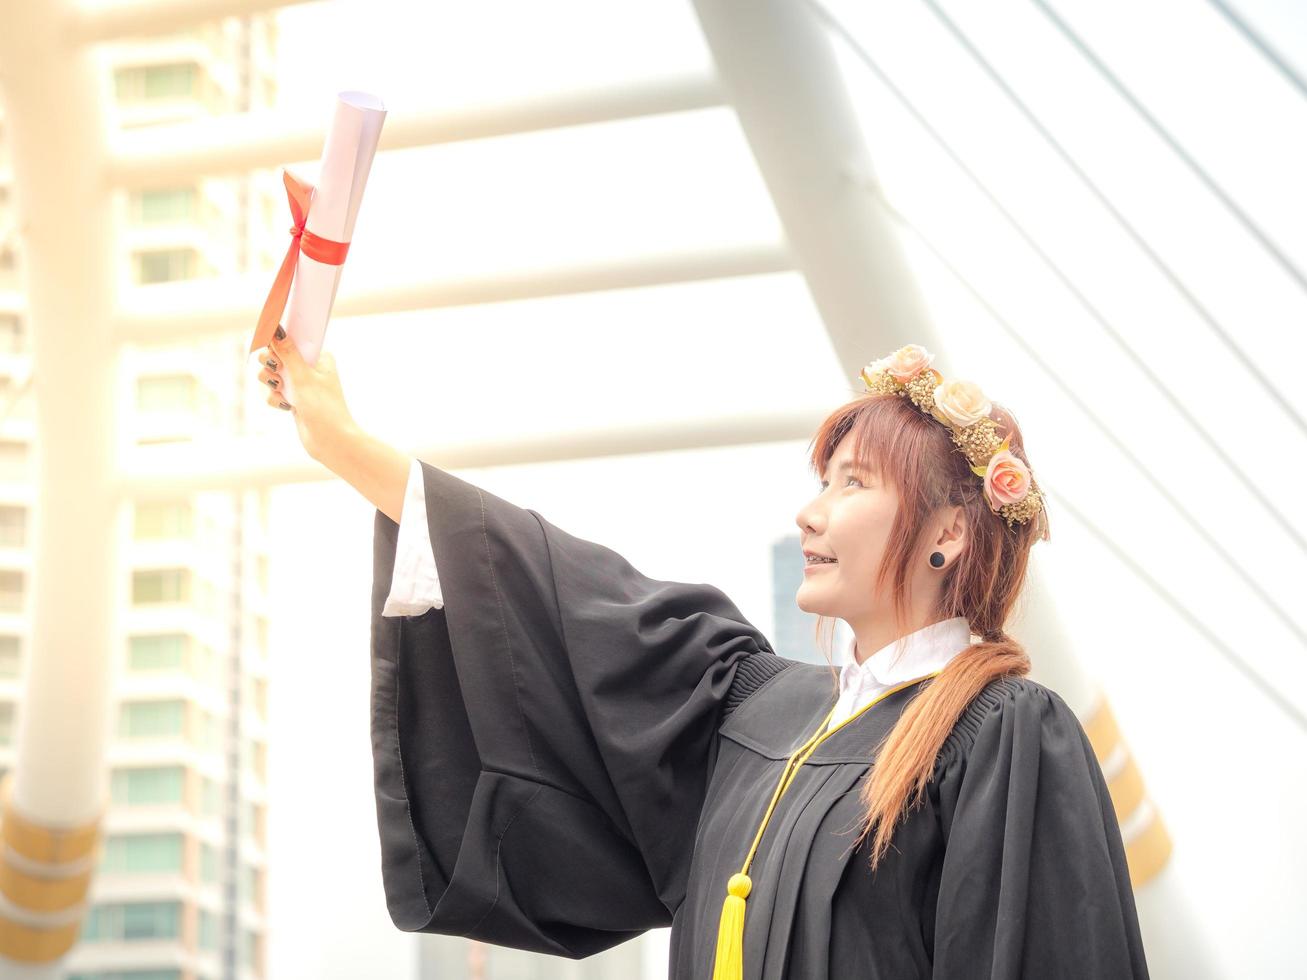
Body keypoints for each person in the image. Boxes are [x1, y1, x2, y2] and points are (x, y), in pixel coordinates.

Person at [253, 331, 1150, 978]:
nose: (811, 512)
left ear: (947, 533)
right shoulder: (748, 709)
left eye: (852, 483)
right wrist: (346, 446)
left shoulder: (1000, 736)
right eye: (819, 482)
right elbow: (562, 592)